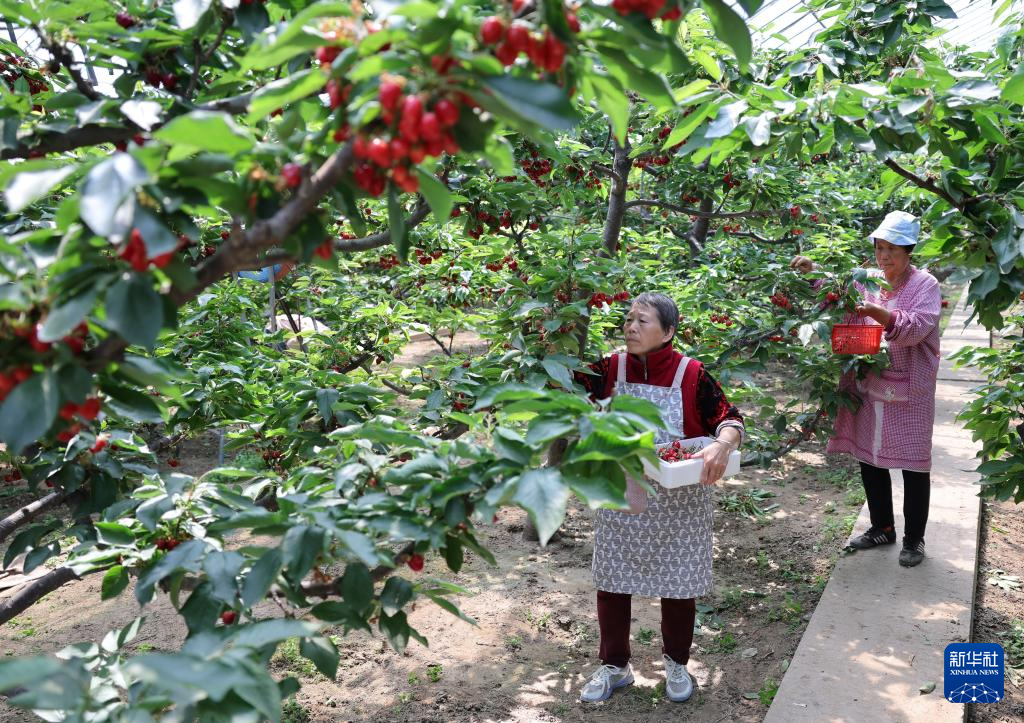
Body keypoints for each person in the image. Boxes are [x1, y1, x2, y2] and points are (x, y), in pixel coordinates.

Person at [573, 292, 744, 704]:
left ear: (668, 332)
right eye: (628, 319)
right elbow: (562, 387)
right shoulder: (608, 368)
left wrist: (722, 445)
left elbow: (730, 418)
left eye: (642, 321)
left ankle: (677, 663)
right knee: (613, 580)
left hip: (679, 500)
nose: (630, 327)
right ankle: (615, 666)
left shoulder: (692, 374)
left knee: (680, 583)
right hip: (624, 492)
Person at [790, 210, 941, 568]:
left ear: (909, 250)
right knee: (870, 458)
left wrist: (879, 313)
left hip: (910, 392)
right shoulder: (868, 278)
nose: (884, 256)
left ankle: (914, 539)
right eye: (879, 247)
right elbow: (839, 295)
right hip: (870, 384)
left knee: (914, 466)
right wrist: (813, 273)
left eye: (892, 248)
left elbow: (918, 327)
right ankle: (882, 527)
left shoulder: (926, 285)